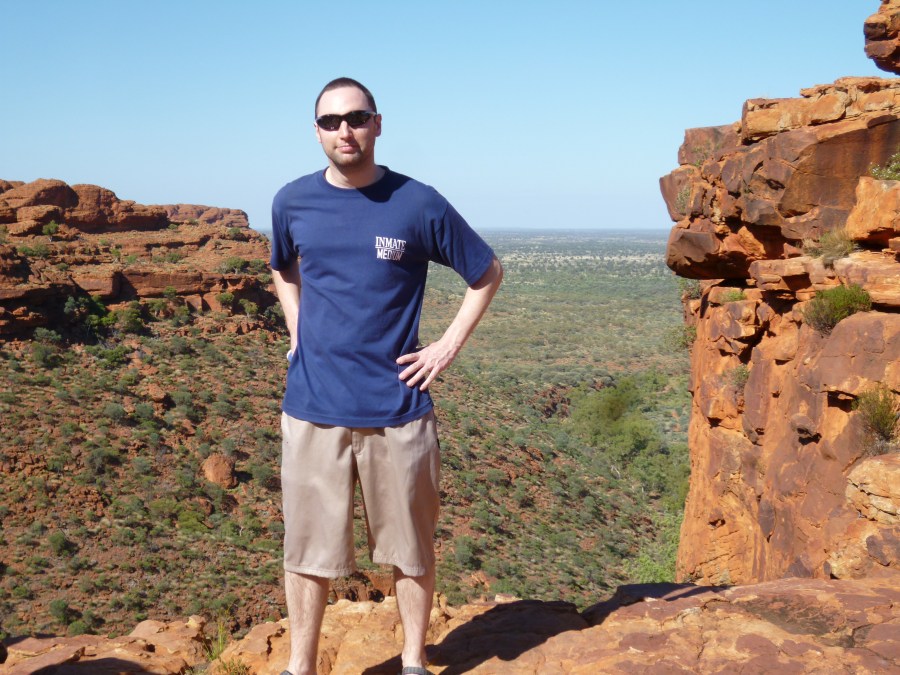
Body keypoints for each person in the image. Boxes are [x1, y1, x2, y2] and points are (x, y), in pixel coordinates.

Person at [270, 77, 503, 675]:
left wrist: (446, 347)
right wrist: (296, 330)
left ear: (377, 123)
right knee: (307, 551)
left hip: (399, 409)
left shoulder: (417, 203)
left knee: (411, 549)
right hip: (313, 406)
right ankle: (300, 667)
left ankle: (413, 662)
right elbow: (283, 268)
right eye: (330, 121)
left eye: (356, 118)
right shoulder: (292, 201)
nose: (344, 131)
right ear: (316, 131)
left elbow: (486, 272)